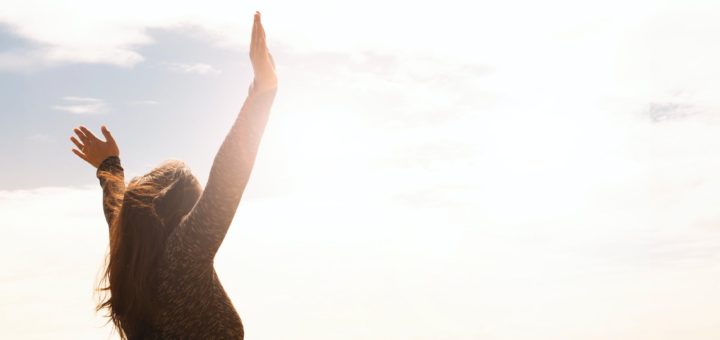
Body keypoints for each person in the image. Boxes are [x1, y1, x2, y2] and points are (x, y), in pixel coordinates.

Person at [69, 12, 277, 339]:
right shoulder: (182, 256)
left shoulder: (132, 261)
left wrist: (109, 165)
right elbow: (226, 181)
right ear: (181, 213)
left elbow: (116, 212)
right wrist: (262, 92)